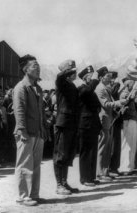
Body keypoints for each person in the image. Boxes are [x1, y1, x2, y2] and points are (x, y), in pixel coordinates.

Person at [12, 55, 47, 206]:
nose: (37, 68)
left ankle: (34, 194)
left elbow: (41, 112)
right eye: (34, 66)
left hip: (37, 132)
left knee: (35, 165)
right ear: (25, 69)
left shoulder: (37, 88)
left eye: (38, 65)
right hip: (25, 133)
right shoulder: (21, 87)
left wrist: (43, 129)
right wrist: (21, 130)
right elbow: (19, 111)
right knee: (24, 165)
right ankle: (23, 196)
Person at [95, 66, 126, 182]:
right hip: (104, 120)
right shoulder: (100, 89)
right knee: (102, 147)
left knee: (107, 148)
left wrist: (117, 110)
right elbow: (106, 104)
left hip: (109, 120)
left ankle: (105, 170)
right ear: (101, 78)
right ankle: (100, 172)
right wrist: (119, 102)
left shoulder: (106, 88)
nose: (110, 78)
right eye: (107, 76)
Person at [54, 59, 79, 195]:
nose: (75, 73)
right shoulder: (62, 83)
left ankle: (64, 182)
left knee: (68, 154)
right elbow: (59, 77)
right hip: (63, 123)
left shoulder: (72, 85)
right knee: (60, 154)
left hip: (71, 123)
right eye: (72, 71)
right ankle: (59, 185)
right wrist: (66, 70)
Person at [78, 66, 102, 187]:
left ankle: (91, 177)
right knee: (86, 152)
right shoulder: (81, 89)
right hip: (84, 125)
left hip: (93, 124)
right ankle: (85, 178)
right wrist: (95, 80)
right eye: (90, 76)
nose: (92, 78)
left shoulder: (90, 91)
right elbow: (87, 92)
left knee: (93, 151)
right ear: (85, 78)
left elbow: (98, 106)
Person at [118, 77, 137, 175]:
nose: (133, 85)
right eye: (132, 83)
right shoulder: (124, 94)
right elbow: (123, 105)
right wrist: (130, 97)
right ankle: (124, 167)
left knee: (132, 144)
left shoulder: (129, 94)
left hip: (132, 119)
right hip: (127, 120)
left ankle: (130, 166)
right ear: (127, 84)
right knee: (127, 145)